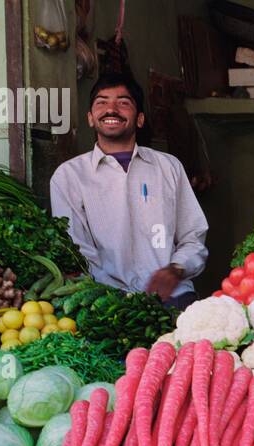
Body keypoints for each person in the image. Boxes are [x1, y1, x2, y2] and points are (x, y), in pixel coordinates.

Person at [50, 73, 208, 310]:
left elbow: (193, 235)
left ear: (140, 119)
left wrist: (176, 268)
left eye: (123, 102)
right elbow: (76, 249)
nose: (111, 109)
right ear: (91, 118)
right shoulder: (69, 176)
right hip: (106, 302)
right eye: (101, 102)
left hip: (172, 297)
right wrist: (110, 293)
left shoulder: (168, 166)